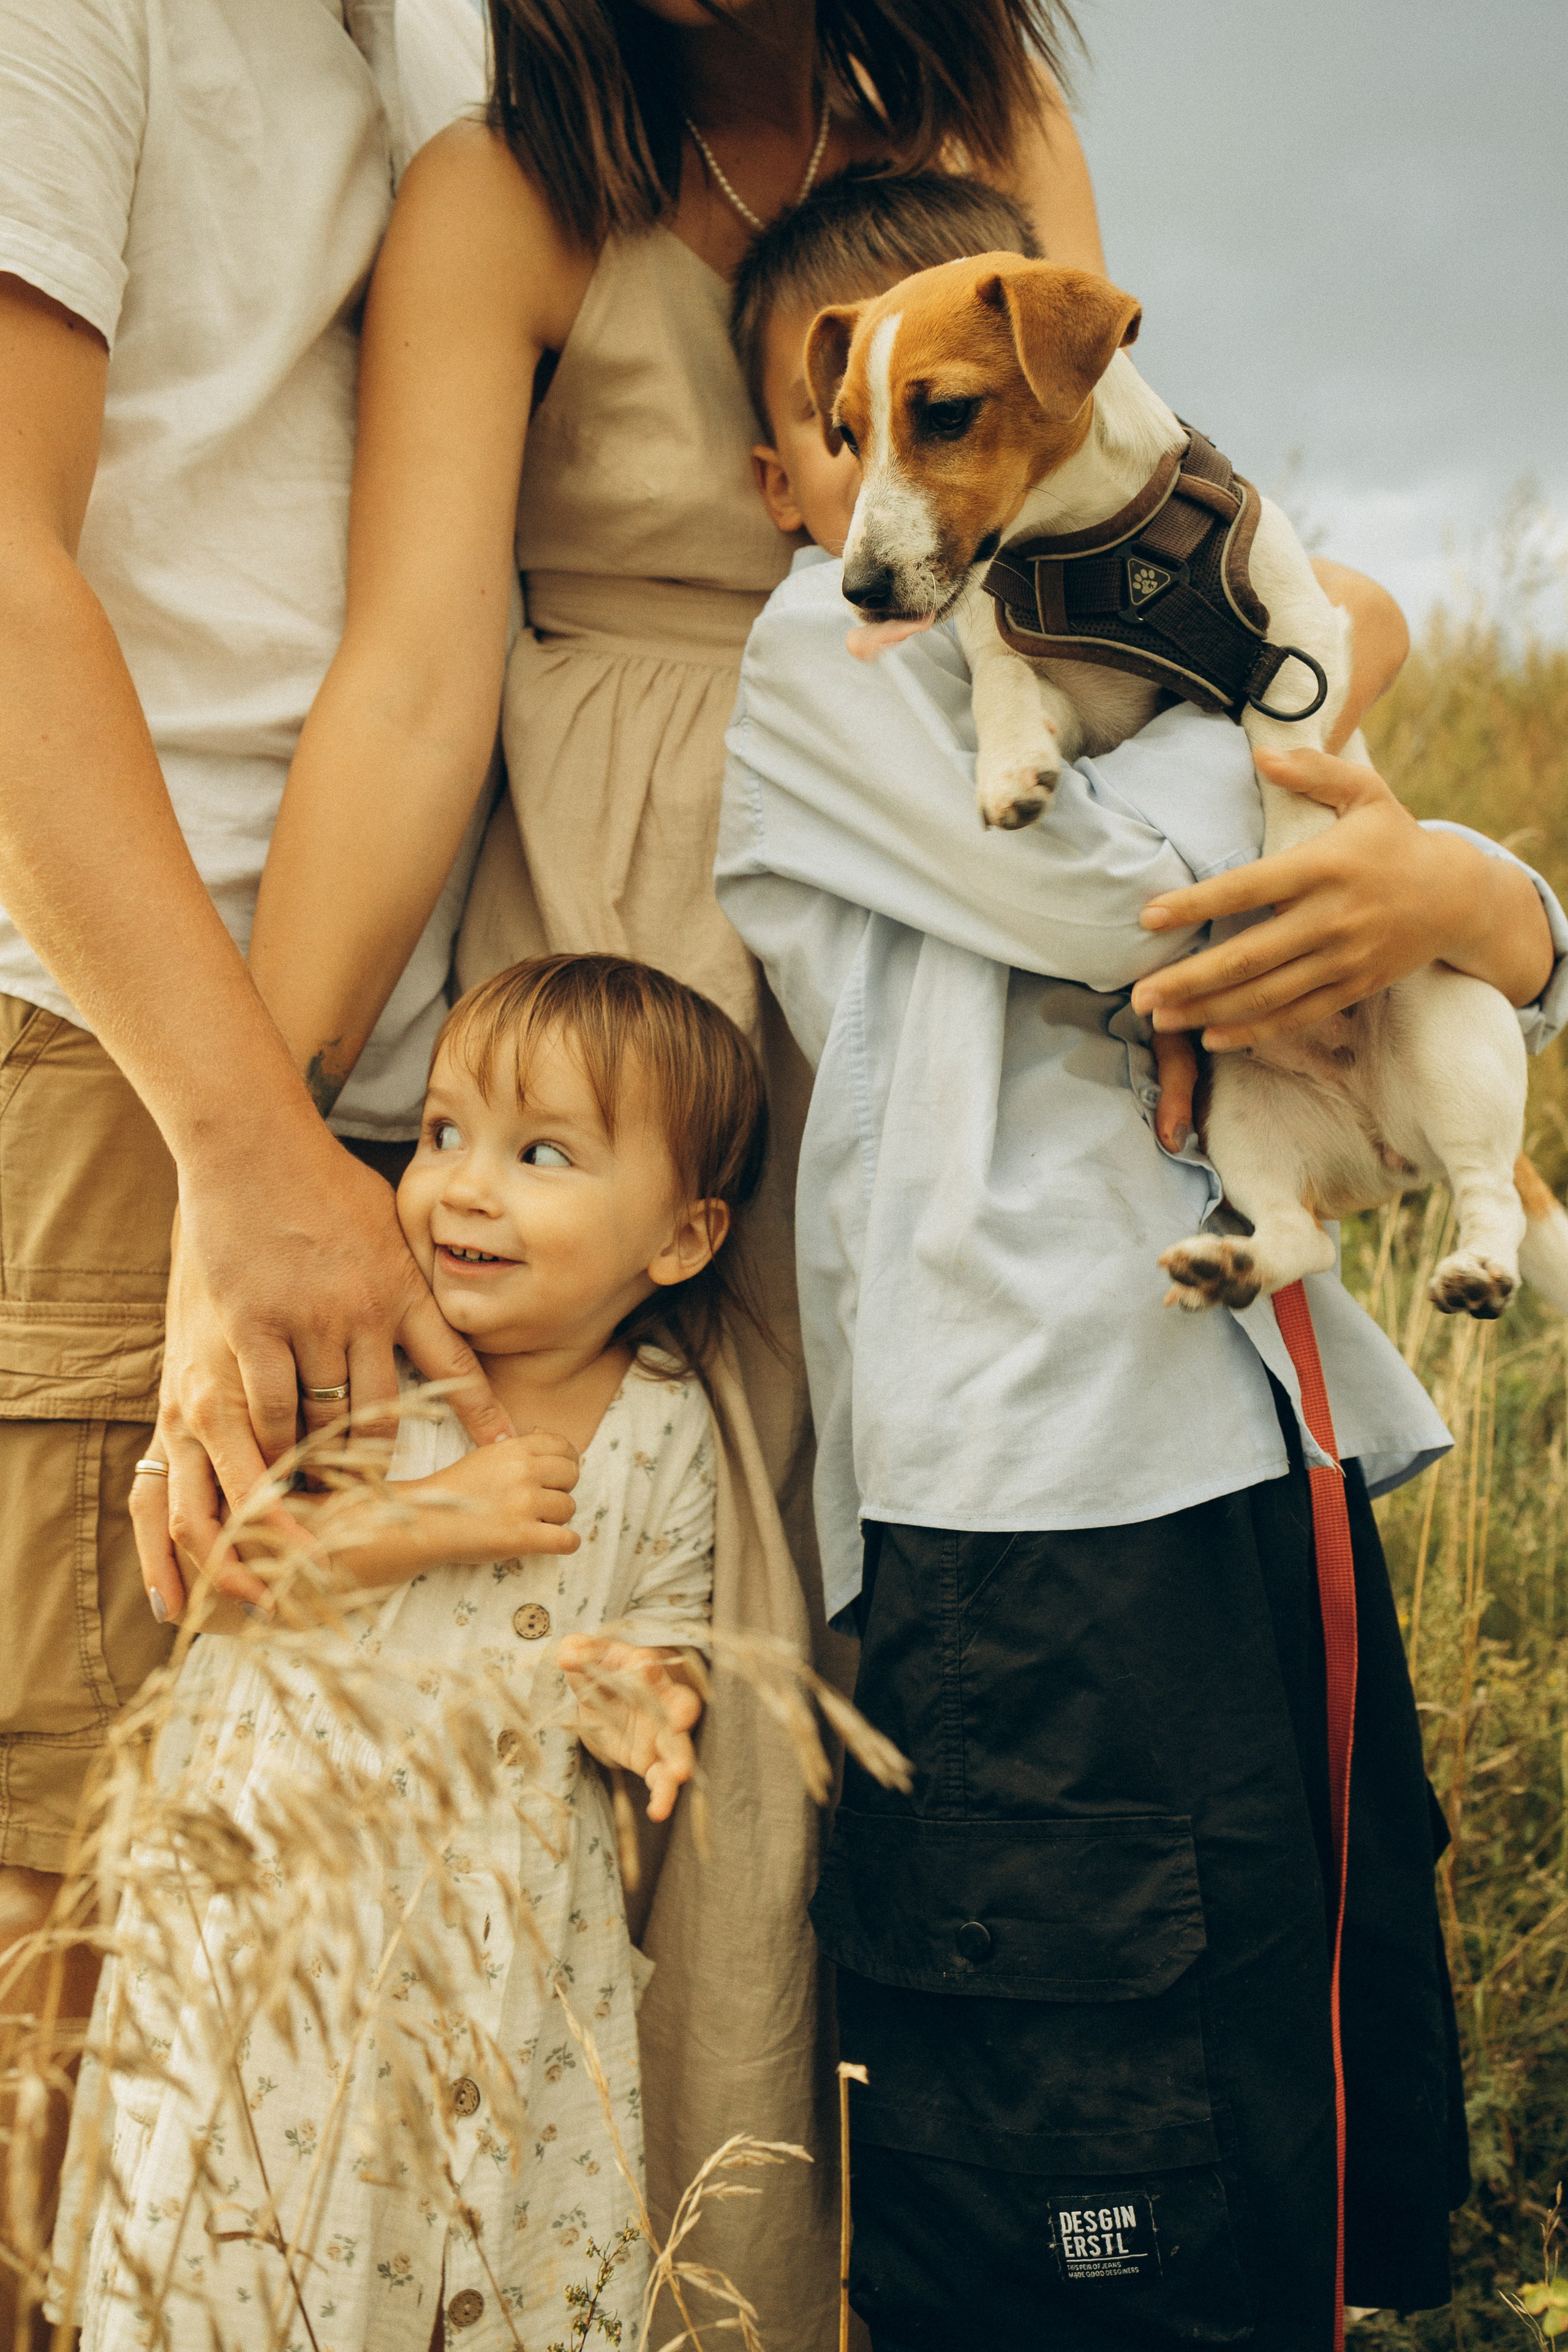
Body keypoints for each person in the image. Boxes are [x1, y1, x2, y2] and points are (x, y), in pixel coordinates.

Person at [711, 168, 1568, 2346]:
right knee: (1087, 2145)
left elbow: (1318, 860)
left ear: (1070, 397)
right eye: (848, 442)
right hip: (1022, 1461)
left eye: (951, 428)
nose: (895, 504)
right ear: (772, 463)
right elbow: (1183, 909)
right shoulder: (830, 654)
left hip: (1234, 1414)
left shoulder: (1103, 604)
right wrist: (1460, 877)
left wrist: (1476, 910)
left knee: (1268, 2047)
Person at [0, 3, 490, 2322]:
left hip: (381, 1102)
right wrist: (240, 1136)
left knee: (283, 2020)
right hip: (133, 1080)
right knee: (68, 1951)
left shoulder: (456, 26)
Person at [56, 952, 760, 2351]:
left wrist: (644, 1702)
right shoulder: (357, 1362)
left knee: (472, 2247)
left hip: (499, 1939)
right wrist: (429, 1516)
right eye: (441, 1135)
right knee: (258, 2236)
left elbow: (658, 1621)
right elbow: (217, 1576)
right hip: (285, 1914)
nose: (463, 1187)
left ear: (678, 1241)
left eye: (540, 1153)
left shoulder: (664, 1419)